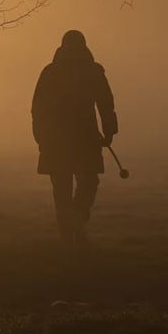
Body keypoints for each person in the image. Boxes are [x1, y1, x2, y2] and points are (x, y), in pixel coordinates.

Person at [31, 30, 118, 246]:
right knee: (87, 182)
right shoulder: (92, 71)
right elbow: (106, 104)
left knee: (62, 188)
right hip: (84, 137)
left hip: (57, 139)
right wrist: (109, 132)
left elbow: (37, 108)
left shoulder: (51, 72)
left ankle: (68, 231)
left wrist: (41, 136)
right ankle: (76, 222)